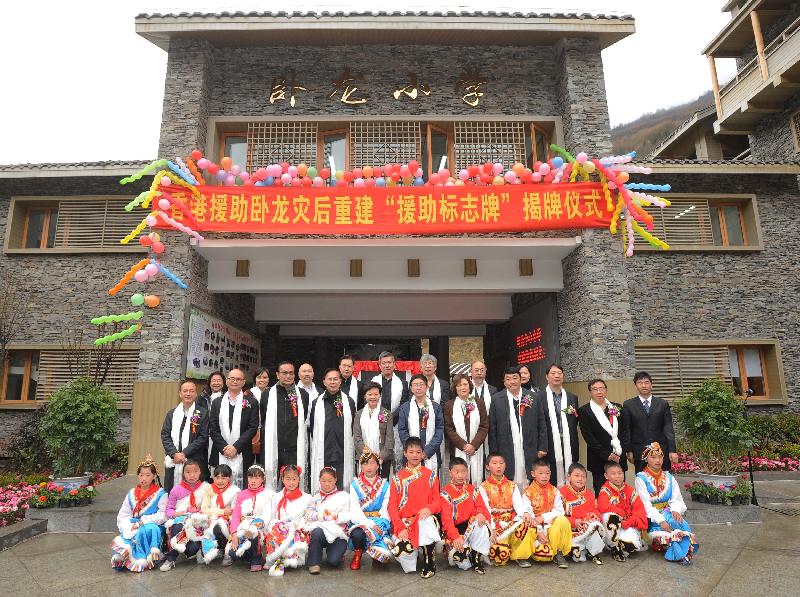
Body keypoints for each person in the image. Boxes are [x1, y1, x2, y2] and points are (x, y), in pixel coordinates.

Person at [635, 442, 699, 565]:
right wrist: (661, 520)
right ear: (646, 459)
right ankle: (677, 552)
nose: (657, 460)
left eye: (660, 457)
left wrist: (675, 510)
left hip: (668, 511)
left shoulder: (669, 477)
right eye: (653, 457)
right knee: (669, 526)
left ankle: (682, 551)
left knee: (679, 521)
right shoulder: (641, 478)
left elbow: (676, 497)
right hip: (653, 518)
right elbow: (645, 505)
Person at [388, 436, 442, 578]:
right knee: (405, 558)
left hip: (426, 519)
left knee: (424, 521)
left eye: (418, 452)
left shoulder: (431, 476)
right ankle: (417, 553)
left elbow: (438, 502)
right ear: (405, 453)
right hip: (405, 524)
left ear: (423, 454)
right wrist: (400, 528)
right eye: (411, 452)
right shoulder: (397, 478)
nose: (415, 455)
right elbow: (392, 507)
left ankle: (429, 560)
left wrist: (429, 509)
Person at [488, 367, 547, 486]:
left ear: (520, 380)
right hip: (506, 447)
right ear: (504, 382)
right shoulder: (496, 399)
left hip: (530, 445)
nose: (512, 381)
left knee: (530, 476)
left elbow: (541, 423)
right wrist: (494, 452)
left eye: (515, 378)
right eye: (508, 379)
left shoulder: (533, 397)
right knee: (508, 478)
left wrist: (542, 447)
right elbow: (492, 427)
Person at [478, 452, 537, 567]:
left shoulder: (512, 485)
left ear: (505, 465)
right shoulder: (483, 487)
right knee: (500, 556)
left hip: (510, 521)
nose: (498, 466)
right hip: (494, 524)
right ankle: (505, 547)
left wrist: (525, 513)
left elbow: (519, 505)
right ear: (487, 466)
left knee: (526, 522)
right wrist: (492, 528)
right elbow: (485, 509)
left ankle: (520, 555)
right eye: (494, 463)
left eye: (501, 463)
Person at [111, 454, 168, 572]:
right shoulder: (132, 493)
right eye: (141, 475)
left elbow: (163, 515)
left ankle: (143, 558)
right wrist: (127, 525)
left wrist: (143, 521)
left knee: (148, 529)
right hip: (134, 523)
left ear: (154, 476)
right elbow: (124, 513)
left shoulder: (161, 494)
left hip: (153, 524)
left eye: (148, 475)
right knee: (130, 531)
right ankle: (126, 555)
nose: (144, 478)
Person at [261, 361, 310, 492]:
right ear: (277, 375)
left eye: (291, 373)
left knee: (292, 484)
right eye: (284, 373)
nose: (288, 376)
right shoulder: (267, 394)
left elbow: (305, 419)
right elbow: (263, 419)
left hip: (294, 449)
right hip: (273, 447)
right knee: (272, 484)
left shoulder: (303, 395)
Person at [209, 369, 260, 488]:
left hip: (243, 452)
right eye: (232, 379)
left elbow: (253, 427)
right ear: (226, 381)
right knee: (218, 487)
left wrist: (236, 447)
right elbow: (213, 428)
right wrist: (224, 447)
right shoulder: (217, 402)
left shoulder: (251, 402)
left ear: (243, 383)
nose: (235, 381)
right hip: (220, 451)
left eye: (238, 379)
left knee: (242, 489)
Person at [308, 368, 356, 493]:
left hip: (342, 450)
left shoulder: (349, 402)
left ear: (340, 381)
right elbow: (313, 428)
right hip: (323, 451)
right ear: (324, 382)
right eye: (330, 379)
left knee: (341, 485)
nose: (333, 382)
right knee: (325, 484)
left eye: (336, 379)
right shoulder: (316, 403)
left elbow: (352, 427)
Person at [440, 457, 490, 574]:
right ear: (450, 472)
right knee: (463, 563)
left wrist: (482, 514)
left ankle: (476, 558)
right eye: (457, 472)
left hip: (471, 526)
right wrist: (455, 537)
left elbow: (483, 508)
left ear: (467, 472)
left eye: (463, 471)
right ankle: (466, 551)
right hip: (455, 530)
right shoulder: (445, 492)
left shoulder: (473, 489)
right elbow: (446, 520)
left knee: (480, 522)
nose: (460, 475)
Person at [621, 372, 678, 472]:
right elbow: (627, 429)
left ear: (651, 384)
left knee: (663, 482)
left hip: (661, 452)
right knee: (643, 482)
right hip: (639, 452)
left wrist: (672, 450)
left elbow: (668, 428)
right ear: (635, 385)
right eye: (640, 383)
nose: (644, 385)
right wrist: (629, 450)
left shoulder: (662, 403)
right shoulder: (628, 405)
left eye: (646, 382)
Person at [578, 379, 626, 495]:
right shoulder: (584, 411)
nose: (599, 392)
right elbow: (588, 437)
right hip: (599, 459)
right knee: (601, 492)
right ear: (590, 392)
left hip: (619, 456)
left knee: (620, 491)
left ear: (606, 390)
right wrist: (607, 455)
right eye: (595, 389)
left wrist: (619, 451)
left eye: (602, 388)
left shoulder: (616, 407)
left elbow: (624, 431)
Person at [348, 447, 393, 569]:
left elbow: (386, 508)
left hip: (380, 520)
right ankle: (358, 554)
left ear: (378, 466)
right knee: (358, 535)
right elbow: (355, 510)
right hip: (362, 521)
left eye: (372, 463)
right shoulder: (354, 485)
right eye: (365, 463)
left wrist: (380, 524)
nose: (369, 467)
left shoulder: (385, 485)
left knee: (382, 558)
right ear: (361, 466)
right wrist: (370, 525)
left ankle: (375, 550)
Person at [263, 464, 312, 577]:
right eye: (288, 479)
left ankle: (282, 562)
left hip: (298, 529)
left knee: (289, 532)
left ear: (299, 479)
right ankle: (277, 558)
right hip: (279, 529)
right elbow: (270, 516)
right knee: (276, 527)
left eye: (294, 479)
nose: (291, 482)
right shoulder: (276, 497)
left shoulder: (307, 498)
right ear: (283, 479)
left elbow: (308, 518)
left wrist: (297, 526)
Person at [523, 458, 573, 569]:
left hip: (551, 527)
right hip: (535, 528)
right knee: (542, 556)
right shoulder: (528, 492)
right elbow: (529, 515)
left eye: (547, 473)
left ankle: (558, 552)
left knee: (562, 520)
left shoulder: (555, 491)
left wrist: (543, 517)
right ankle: (526, 554)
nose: (544, 476)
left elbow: (560, 511)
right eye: (540, 473)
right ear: (533, 474)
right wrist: (539, 532)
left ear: (550, 474)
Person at [535, 363, 579, 488]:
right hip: (549, 443)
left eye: (559, 373)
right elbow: (537, 424)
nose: (557, 376)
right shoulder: (539, 397)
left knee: (570, 470)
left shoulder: (572, 397)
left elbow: (575, 421)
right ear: (547, 377)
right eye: (553, 373)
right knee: (551, 474)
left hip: (568, 442)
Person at [160, 460, 209, 571]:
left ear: (200, 472)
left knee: (192, 549)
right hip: (180, 521)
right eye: (188, 472)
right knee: (177, 526)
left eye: (195, 471)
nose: (192, 475)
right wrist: (177, 513)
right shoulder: (176, 489)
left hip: (197, 523)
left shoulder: (206, 488)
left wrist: (199, 512)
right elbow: (169, 510)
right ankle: (171, 558)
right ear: (183, 474)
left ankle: (196, 551)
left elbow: (208, 508)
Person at [161, 379, 209, 491]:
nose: (188, 394)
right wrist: (174, 453)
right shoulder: (172, 413)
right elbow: (165, 435)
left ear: (196, 394)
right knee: (171, 492)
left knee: (194, 494)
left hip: (194, 460)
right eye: (185, 391)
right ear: (180, 393)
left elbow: (203, 437)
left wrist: (184, 453)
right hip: (174, 460)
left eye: (191, 391)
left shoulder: (203, 413)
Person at [304, 467, 351, 574]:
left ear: (335, 480)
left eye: (330, 481)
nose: (327, 484)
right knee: (316, 532)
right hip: (321, 529)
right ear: (319, 481)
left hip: (337, 532)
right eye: (323, 481)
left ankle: (337, 554)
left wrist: (336, 517)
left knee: (333, 562)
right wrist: (321, 516)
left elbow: (348, 515)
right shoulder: (315, 497)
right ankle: (314, 563)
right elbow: (308, 515)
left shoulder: (343, 496)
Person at [597, 461, 647, 562]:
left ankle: (617, 545)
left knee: (634, 545)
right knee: (609, 516)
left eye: (620, 473)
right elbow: (602, 507)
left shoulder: (630, 491)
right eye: (613, 473)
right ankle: (613, 547)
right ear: (606, 476)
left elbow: (639, 511)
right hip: (611, 527)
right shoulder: (605, 490)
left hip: (626, 524)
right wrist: (619, 511)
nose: (618, 476)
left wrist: (628, 522)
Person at [228, 464, 274, 572]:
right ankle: (252, 556)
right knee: (233, 554)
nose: (253, 480)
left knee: (252, 531)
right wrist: (234, 534)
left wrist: (253, 526)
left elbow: (267, 517)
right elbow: (235, 515)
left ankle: (256, 559)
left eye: (257, 477)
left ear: (263, 479)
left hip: (260, 528)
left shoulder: (268, 495)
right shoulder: (242, 494)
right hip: (242, 529)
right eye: (251, 477)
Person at [443, 374, 488, 483]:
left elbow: (484, 426)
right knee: (459, 477)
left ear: (470, 386)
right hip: (458, 449)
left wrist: (473, 445)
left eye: (465, 384)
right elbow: (449, 428)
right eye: (459, 385)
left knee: (476, 478)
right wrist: (464, 445)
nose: (462, 387)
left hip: (476, 449)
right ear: (455, 388)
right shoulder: (449, 405)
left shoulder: (479, 403)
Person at [558, 463, 605, 565]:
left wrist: (594, 514)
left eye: (583, 477)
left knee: (594, 525)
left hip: (587, 526)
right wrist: (574, 522)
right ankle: (581, 549)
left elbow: (596, 510)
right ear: (569, 476)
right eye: (577, 476)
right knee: (577, 557)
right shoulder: (562, 493)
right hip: (571, 530)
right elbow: (559, 515)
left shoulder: (590, 494)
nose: (580, 479)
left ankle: (594, 553)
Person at [398, 373, 444, 472]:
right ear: (411, 388)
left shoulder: (436, 407)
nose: (418, 388)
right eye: (415, 385)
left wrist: (427, 451)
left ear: (427, 386)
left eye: (421, 384)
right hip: (411, 455)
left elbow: (439, 430)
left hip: (431, 454)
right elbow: (402, 430)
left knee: (431, 485)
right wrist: (413, 451)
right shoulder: (405, 408)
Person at [372, 351, 409, 473]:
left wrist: (390, 418)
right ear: (379, 365)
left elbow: (404, 404)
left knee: (398, 461)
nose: (387, 365)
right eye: (384, 363)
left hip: (396, 425)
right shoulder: (373, 382)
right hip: (377, 425)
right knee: (380, 459)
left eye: (389, 362)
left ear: (394, 364)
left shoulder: (403, 383)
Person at [199, 464, 241, 565]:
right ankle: (208, 550)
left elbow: (234, 511)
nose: (220, 481)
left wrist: (218, 513)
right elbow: (204, 509)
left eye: (224, 478)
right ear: (213, 477)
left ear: (229, 478)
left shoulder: (235, 491)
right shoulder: (208, 489)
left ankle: (226, 550)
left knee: (219, 526)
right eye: (217, 477)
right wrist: (222, 511)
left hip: (227, 520)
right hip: (210, 519)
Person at [353, 381, 394, 479]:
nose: (373, 397)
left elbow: (390, 439)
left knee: (382, 487)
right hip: (364, 458)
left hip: (382, 459)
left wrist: (380, 457)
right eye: (369, 394)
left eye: (376, 394)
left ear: (380, 396)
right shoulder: (358, 414)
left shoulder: (386, 413)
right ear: (365, 396)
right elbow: (357, 437)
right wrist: (368, 456)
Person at [250, 367, 270, 463]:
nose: (262, 380)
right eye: (259, 377)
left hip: (269, 430)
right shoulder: (248, 394)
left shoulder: (273, 393)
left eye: (265, 377)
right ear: (255, 379)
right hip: (252, 431)